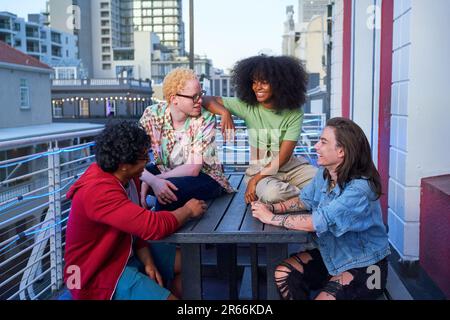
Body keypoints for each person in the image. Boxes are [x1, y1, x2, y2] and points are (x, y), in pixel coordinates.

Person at [63, 120, 207, 300]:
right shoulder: (98, 191)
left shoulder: (128, 178)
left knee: (191, 264)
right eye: (144, 158)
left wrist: (148, 261)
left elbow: (135, 227)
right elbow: (152, 225)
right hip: (97, 271)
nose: (148, 162)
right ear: (124, 164)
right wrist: (188, 210)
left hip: (122, 249)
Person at [251, 117, 391, 300]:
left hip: (368, 267)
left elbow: (316, 222)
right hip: (333, 255)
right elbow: (304, 201)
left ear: (341, 151)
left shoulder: (360, 189)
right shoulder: (325, 174)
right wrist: (272, 207)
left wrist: (269, 218)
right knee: (284, 273)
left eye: (323, 142)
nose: (316, 146)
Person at [202, 55, 317, 204]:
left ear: (280, 84)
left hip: (291, 167)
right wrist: (225, 113)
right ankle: (309, 197)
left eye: (264, 82)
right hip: (261, 169)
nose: (257, 87)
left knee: (325, 181)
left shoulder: (294, 112)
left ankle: (301, 197)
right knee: (272, 194)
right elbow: (205, 100)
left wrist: (254, 181)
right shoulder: (248, 106)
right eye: (254, 82)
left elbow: (283, 157)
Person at [139, 68, 233, 211]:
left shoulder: (205, 118)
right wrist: (150, 179)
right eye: (194, 97)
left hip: (206, 177)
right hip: (167, 169)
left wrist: (155, 180)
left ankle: (155, 227)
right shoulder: (152, 114)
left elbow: (193, 168)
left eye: (201, 94)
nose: (200, 101)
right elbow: (133, 158)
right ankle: (129, 223)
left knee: (170, 190)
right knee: (127, 175)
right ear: (173, 99)